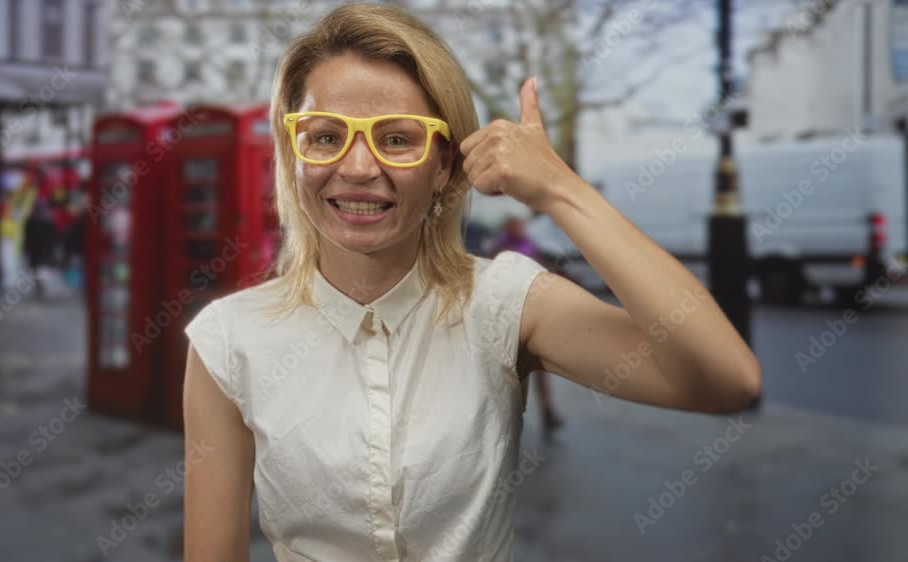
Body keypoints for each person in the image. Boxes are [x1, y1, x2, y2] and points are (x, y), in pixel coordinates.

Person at [182, 4, 761, 561]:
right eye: (327, 136)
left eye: (397, 138)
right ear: (293, 153)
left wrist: (560, 190)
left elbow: (727, 380)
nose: (358, 167)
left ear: (444, 166)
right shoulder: (229, 340)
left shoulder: (502, 303)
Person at [490, 215, 564, 441]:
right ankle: (505, 418)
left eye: (522, 225)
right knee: (511, 373)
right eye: (517, 225)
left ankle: (548, 411)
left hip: (531, 314)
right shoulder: (501, 248)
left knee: (539, 370)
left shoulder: (529, 245)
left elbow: (541, 271)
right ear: (509, 227)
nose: (522, 228)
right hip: (509, 316)